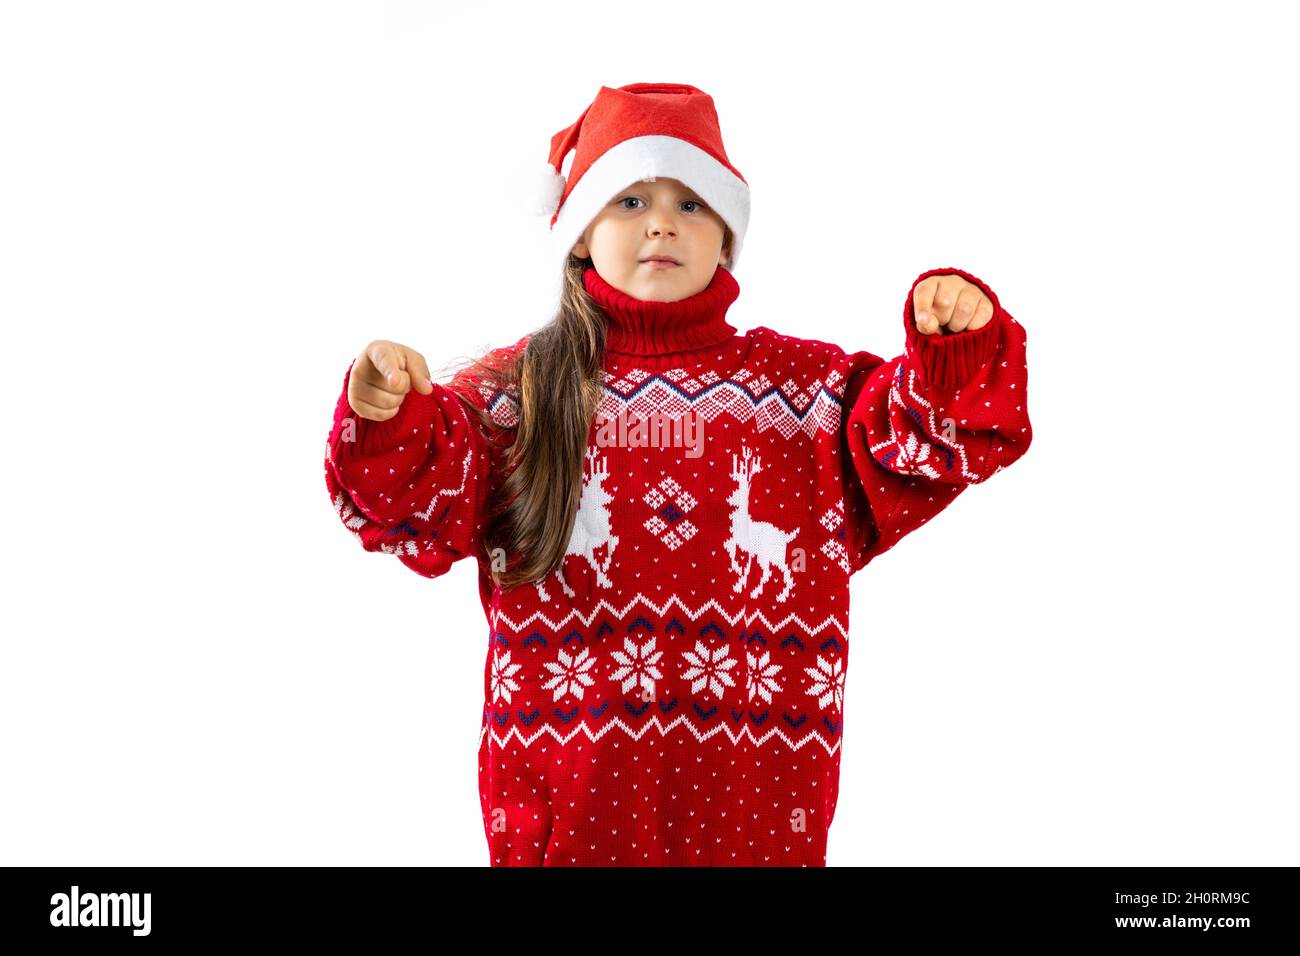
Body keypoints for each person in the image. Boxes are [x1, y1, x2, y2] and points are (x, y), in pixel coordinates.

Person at [323, 82, 1033, 866]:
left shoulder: (807, 400)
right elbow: (414, 493)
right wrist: (389, 413)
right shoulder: (514, 399)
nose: (661, 220)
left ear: (727, 237)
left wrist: (953, 349)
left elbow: (924, 435)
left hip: (756, 826)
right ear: (582, 232)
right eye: (629, 200)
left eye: (692, 204)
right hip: (567, 826)